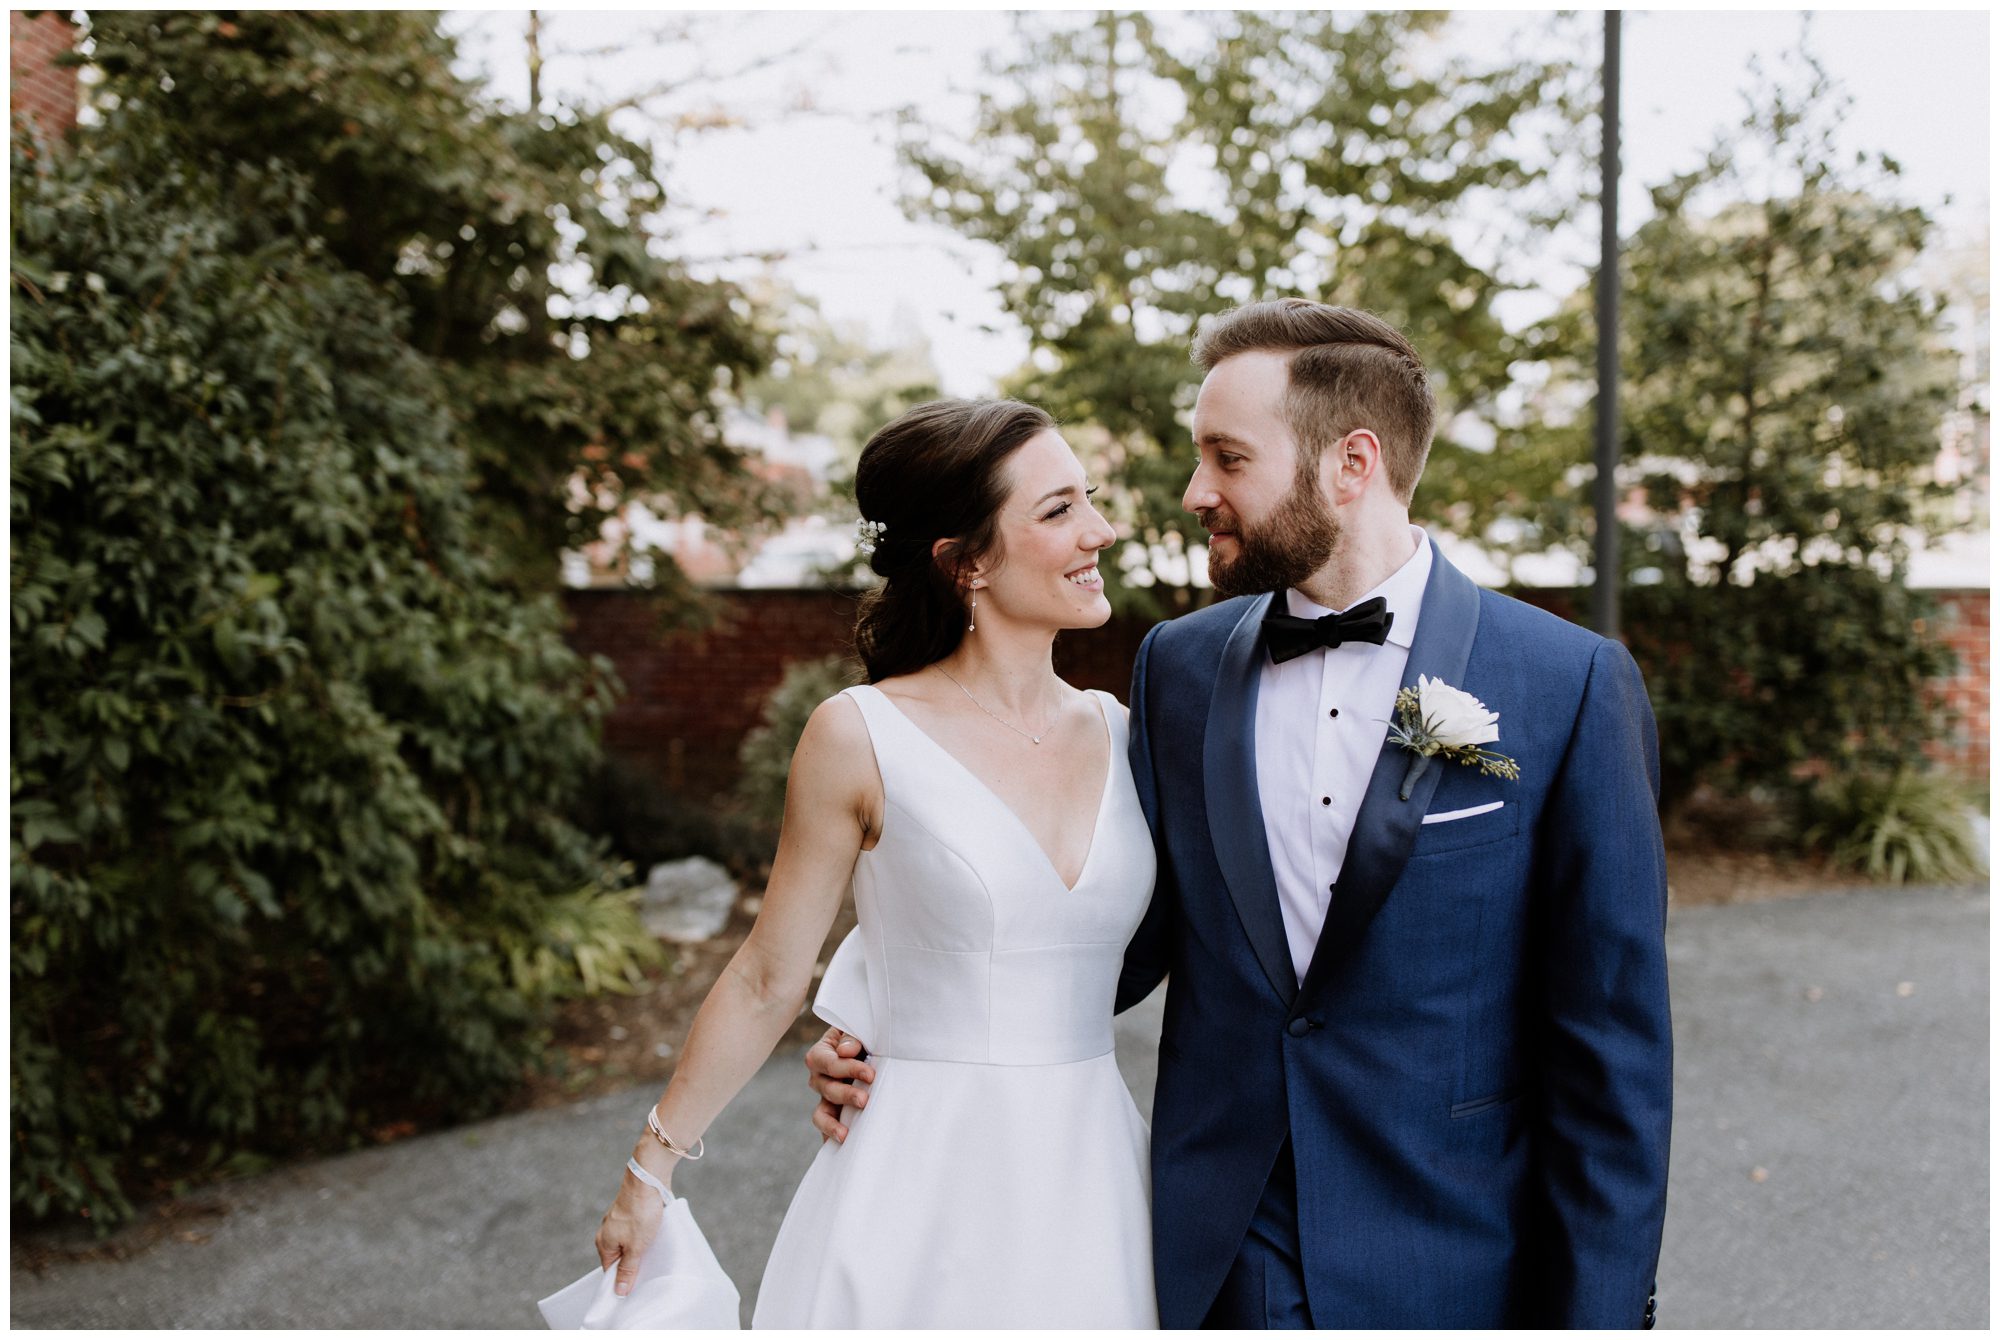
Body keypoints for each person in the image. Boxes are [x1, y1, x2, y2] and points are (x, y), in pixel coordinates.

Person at [808, 299, 1673, 1328]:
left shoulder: (1566, 684)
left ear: (1350, 464)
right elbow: (1115, 927)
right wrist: (895, 1025)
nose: (1192, 492)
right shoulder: (1177, 669)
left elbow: (1611, 1051)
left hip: (1452, 1252)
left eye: (1226, 457)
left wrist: (1602, 1316)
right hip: (1223, 1253)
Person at [589, 397, 1159, 1328]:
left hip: (1094, 1180)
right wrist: (647, 1171)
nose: (1099, 529)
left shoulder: (1128, 733)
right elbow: (768, 977)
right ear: (964, 560)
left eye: (1086, 499)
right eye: (1057, 510)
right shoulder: (860, 736)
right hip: (918, 1179)